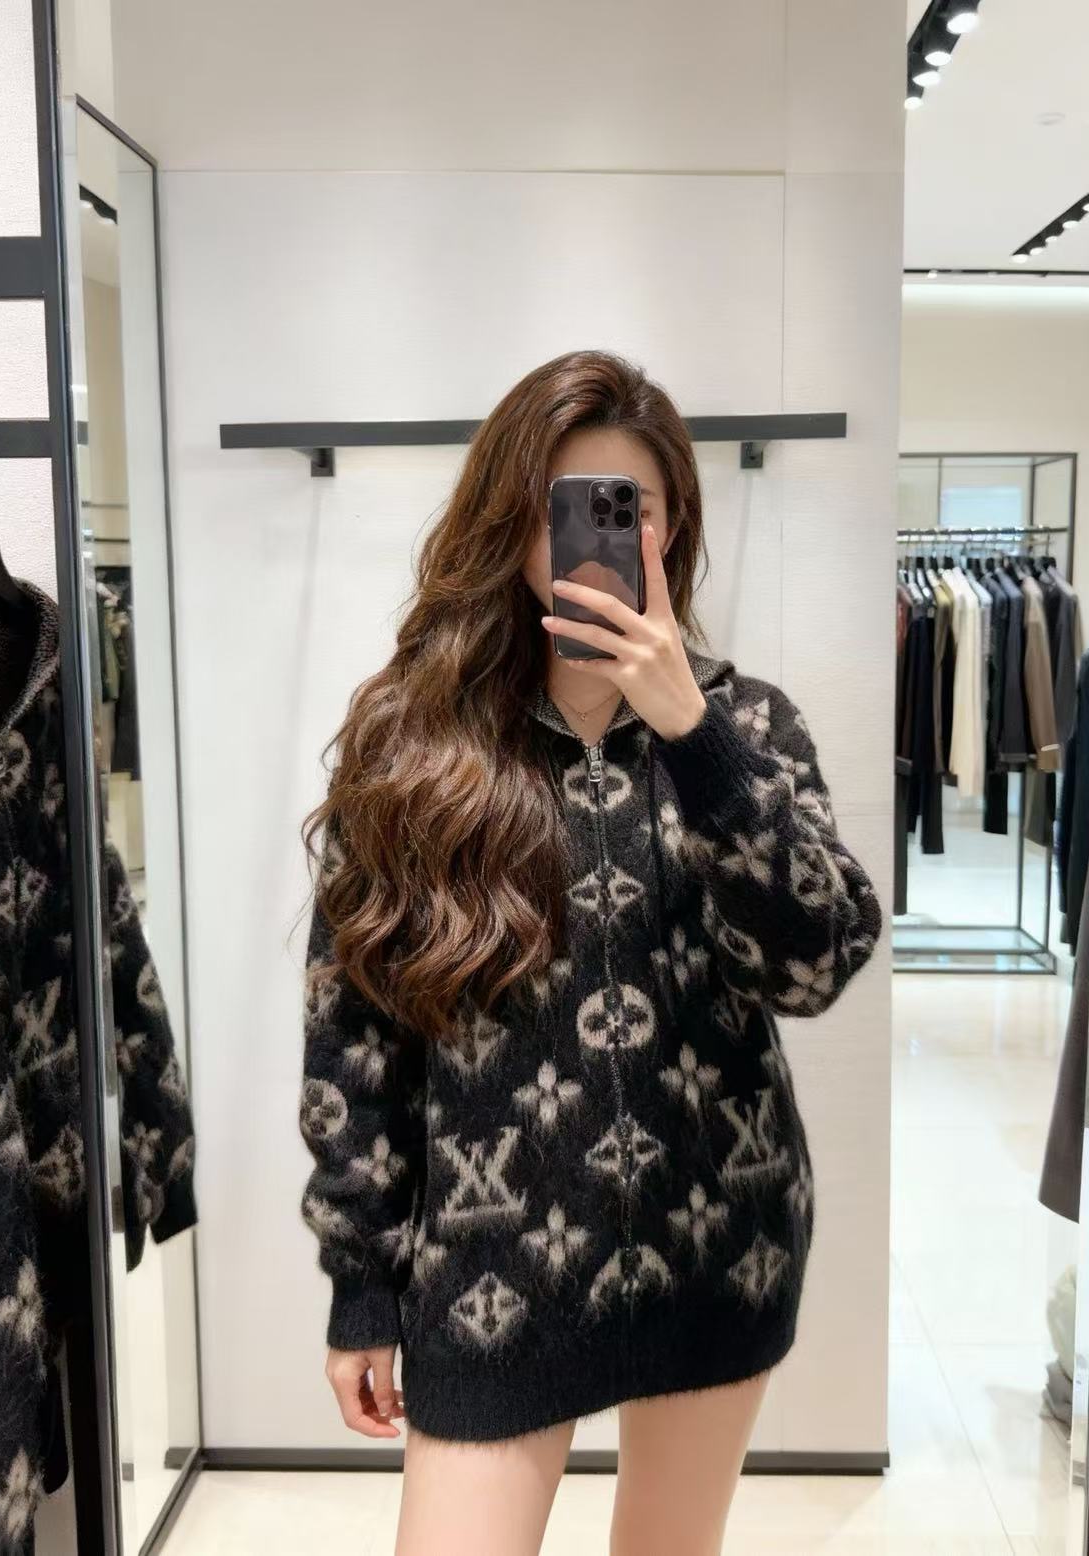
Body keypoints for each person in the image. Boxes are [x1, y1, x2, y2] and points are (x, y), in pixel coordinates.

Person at [297, 348, 881, 1555]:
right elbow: (353, 1028)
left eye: (630, 506)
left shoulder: (747, 723)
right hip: (492, 1262)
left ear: (673, 526)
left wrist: (694, 736)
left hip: (718, 1233)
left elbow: (816, 961)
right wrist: (361, 1276)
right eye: (560, 505)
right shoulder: (416, 743)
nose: (596, 537)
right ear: (507, 522)